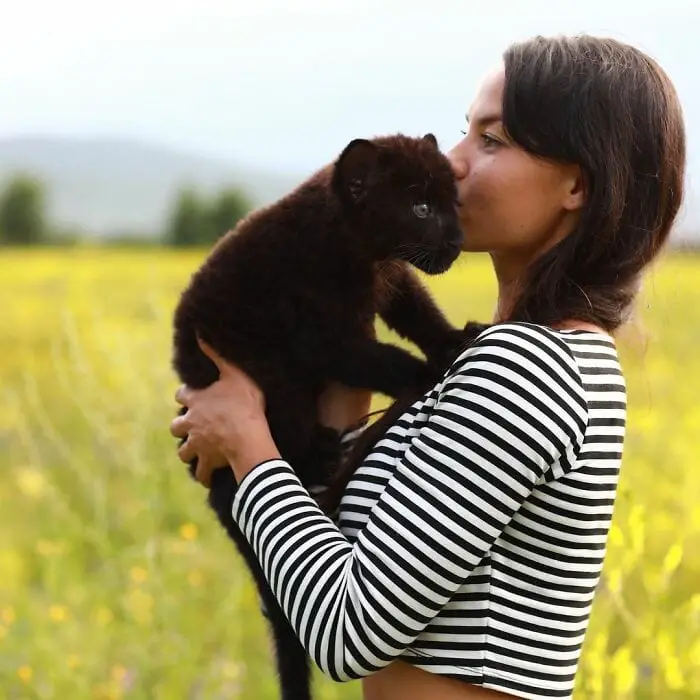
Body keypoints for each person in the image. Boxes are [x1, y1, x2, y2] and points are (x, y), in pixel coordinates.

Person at [169, 34, 686, 700]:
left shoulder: (528, 367)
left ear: (577, 184)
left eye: (493, 140)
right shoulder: (532, 356)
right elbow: (368, 563)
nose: (455, 161)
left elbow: (347, 632)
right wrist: (341, 419)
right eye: (462, 131)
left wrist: (247, 445)